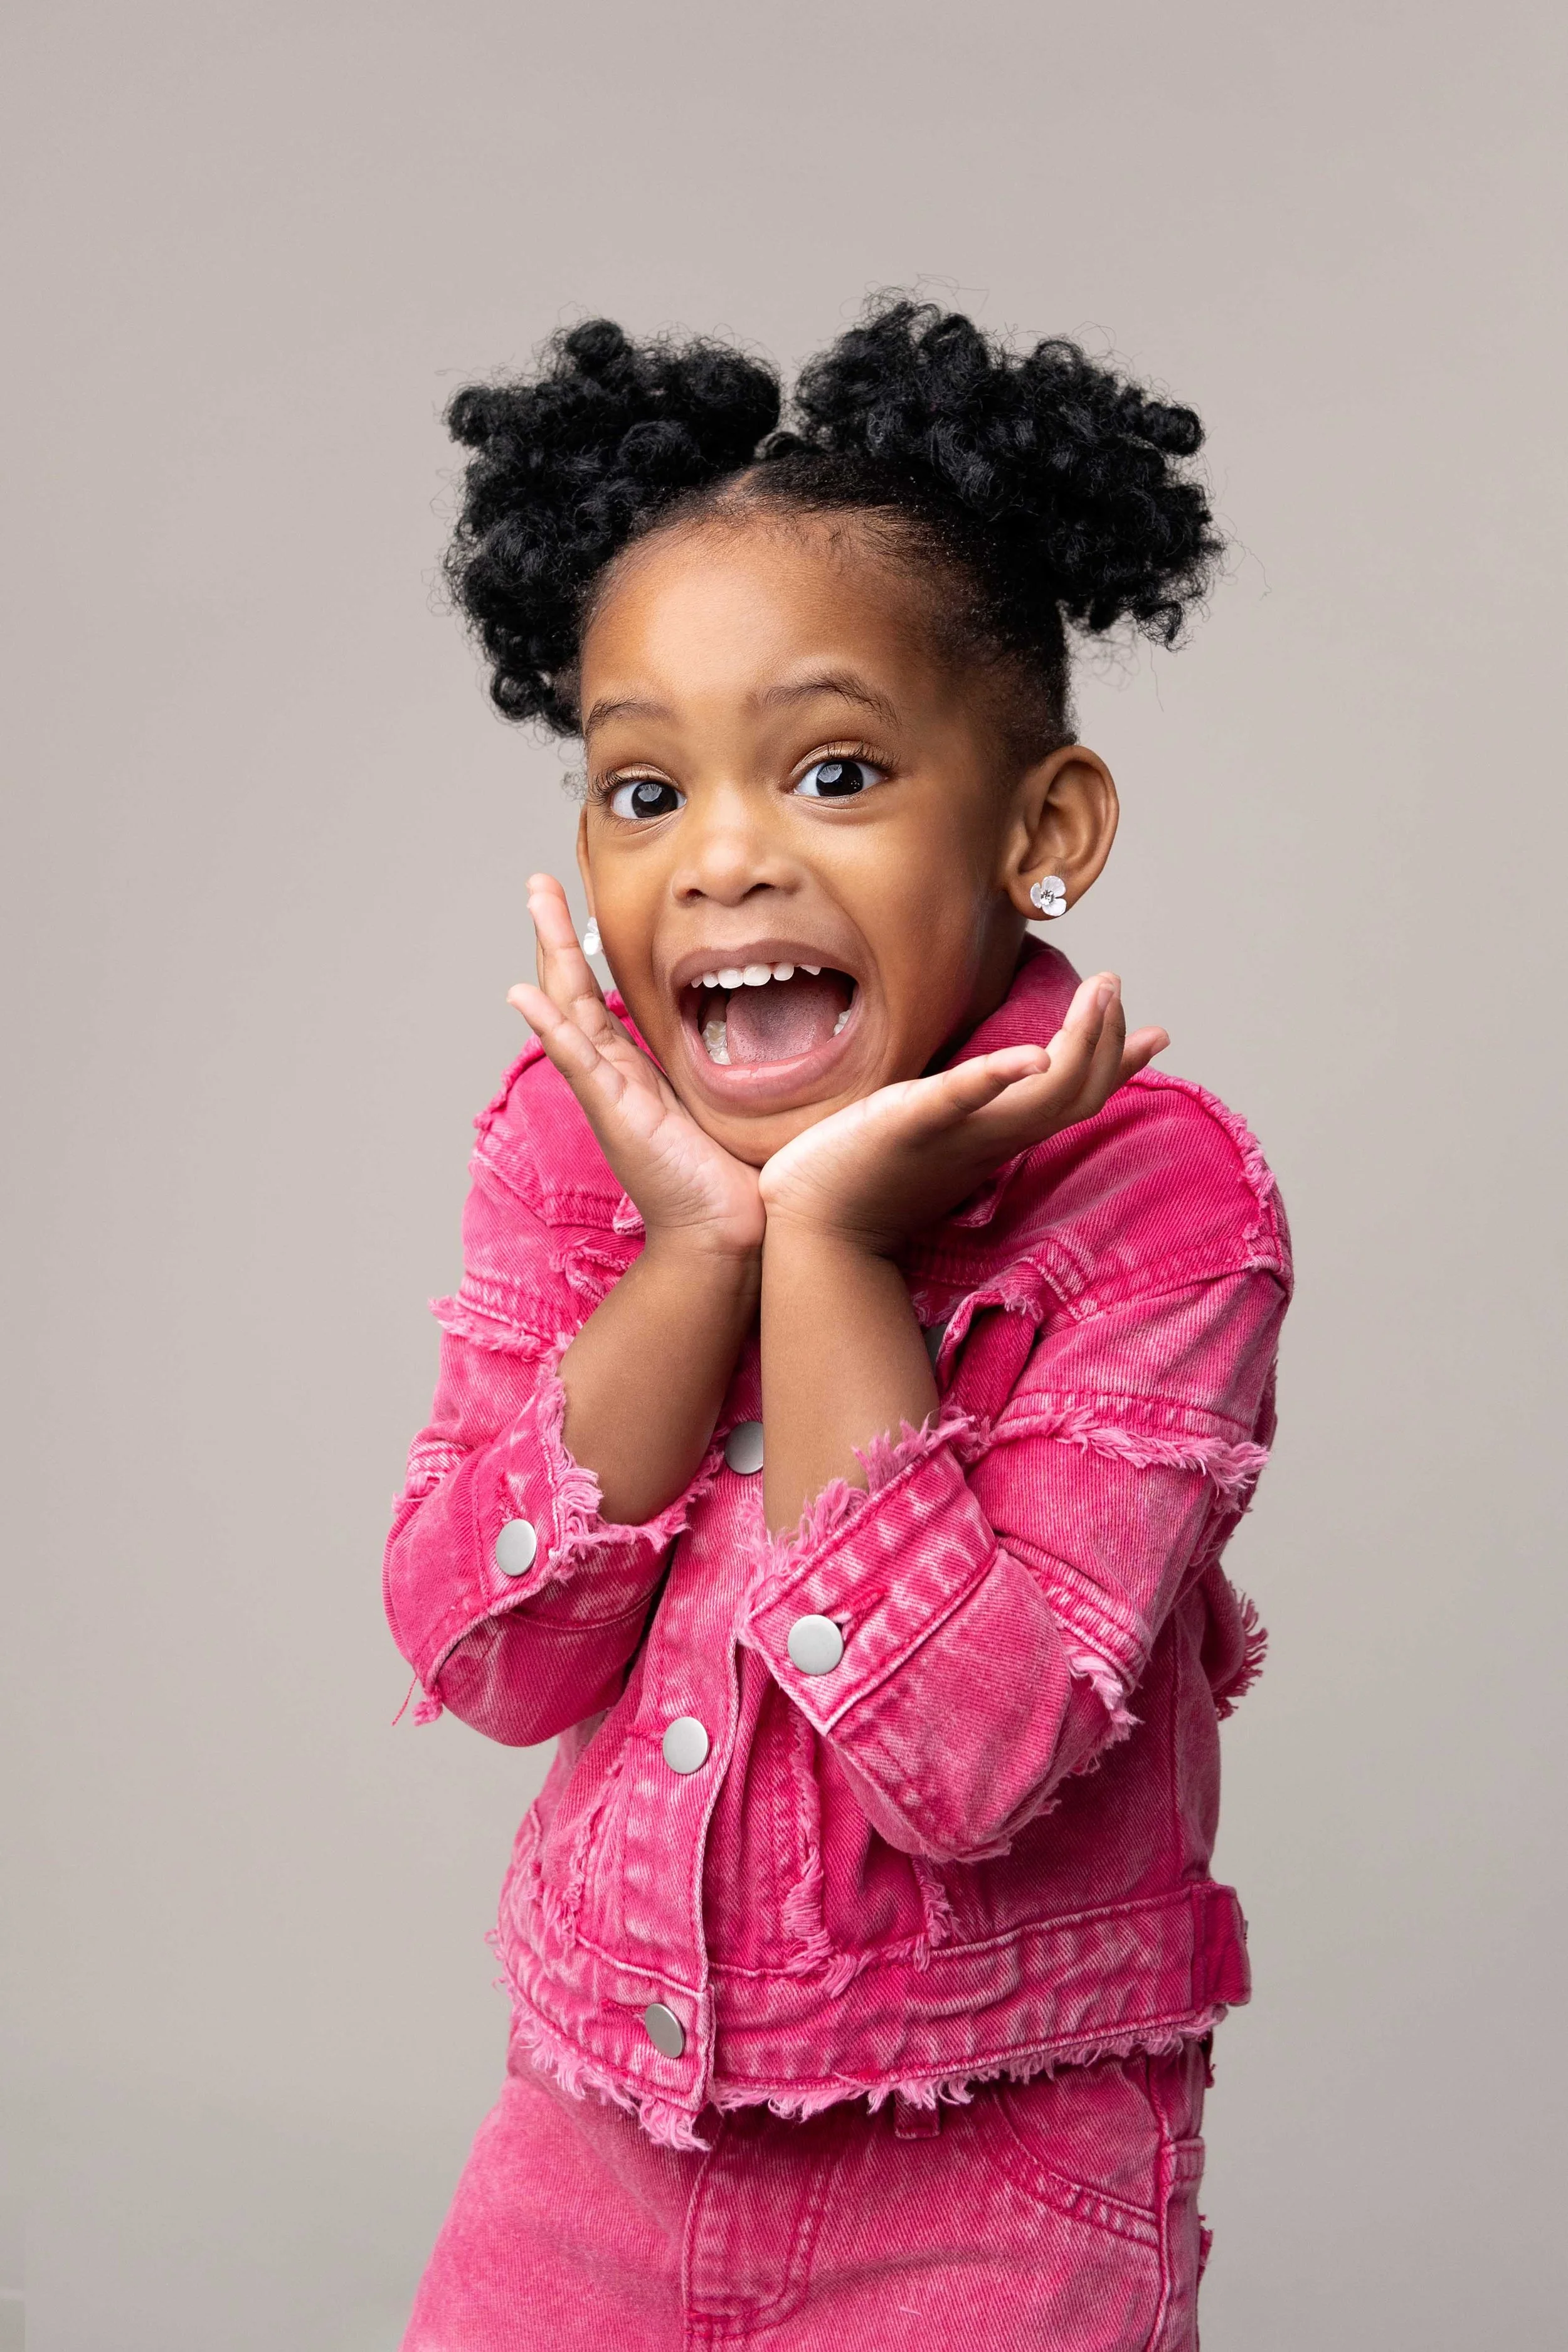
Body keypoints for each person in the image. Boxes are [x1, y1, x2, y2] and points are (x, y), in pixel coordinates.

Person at [386, 297, 1290, 2349]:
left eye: (832, 768)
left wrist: (829, 1257)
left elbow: (967, 1763)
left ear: (1038, 829)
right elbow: (490, 1646)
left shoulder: (1159, 1197)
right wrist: (696, 1246)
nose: (720, 857)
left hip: (998, 2179)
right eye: (639, 791)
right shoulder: (573, 1137)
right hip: (595, 2144)